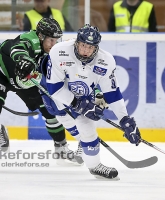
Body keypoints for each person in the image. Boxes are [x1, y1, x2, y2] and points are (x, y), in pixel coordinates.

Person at [21, 24, 141, 180]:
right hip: (54, 91)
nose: (85, 50)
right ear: (77, 42)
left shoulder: (105, 61)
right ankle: (81, 140)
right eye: (83, 45)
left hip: (82, 92)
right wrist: (79, 105)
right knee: (62, 116)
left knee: (88, 127)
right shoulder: (60, 51)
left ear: (96, 48)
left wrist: (124, 119)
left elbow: (112, 93)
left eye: (90, 47)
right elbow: (55, 88)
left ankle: (94, 166)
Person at [0, 18, 82, 165]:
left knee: (49, 110)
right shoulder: (30, 40)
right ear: (40, 36)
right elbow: (16, 48)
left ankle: (61, 148)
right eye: (51, 40)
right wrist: (23, 60)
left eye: (56, 40)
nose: (54, 44)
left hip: (26, 79)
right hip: (3, 74)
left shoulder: (53, 50)